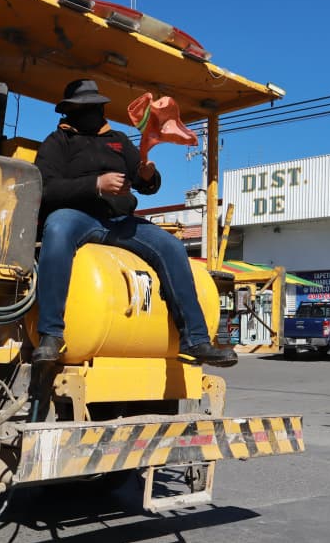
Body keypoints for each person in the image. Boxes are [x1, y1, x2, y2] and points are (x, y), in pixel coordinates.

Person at [32, 79, 237, 368]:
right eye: (85, 107)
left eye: (96, 107)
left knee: (171, 246)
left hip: (121, 220)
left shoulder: (118, 140)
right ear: (71, 111)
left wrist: (148, 176)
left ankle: (196, 341)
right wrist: (96, 184)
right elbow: (45, 187)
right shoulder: (57, 142)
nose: (93, 113)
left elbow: (145, 183)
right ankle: (51, 335)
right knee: (57, 227)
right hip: (78, 217)